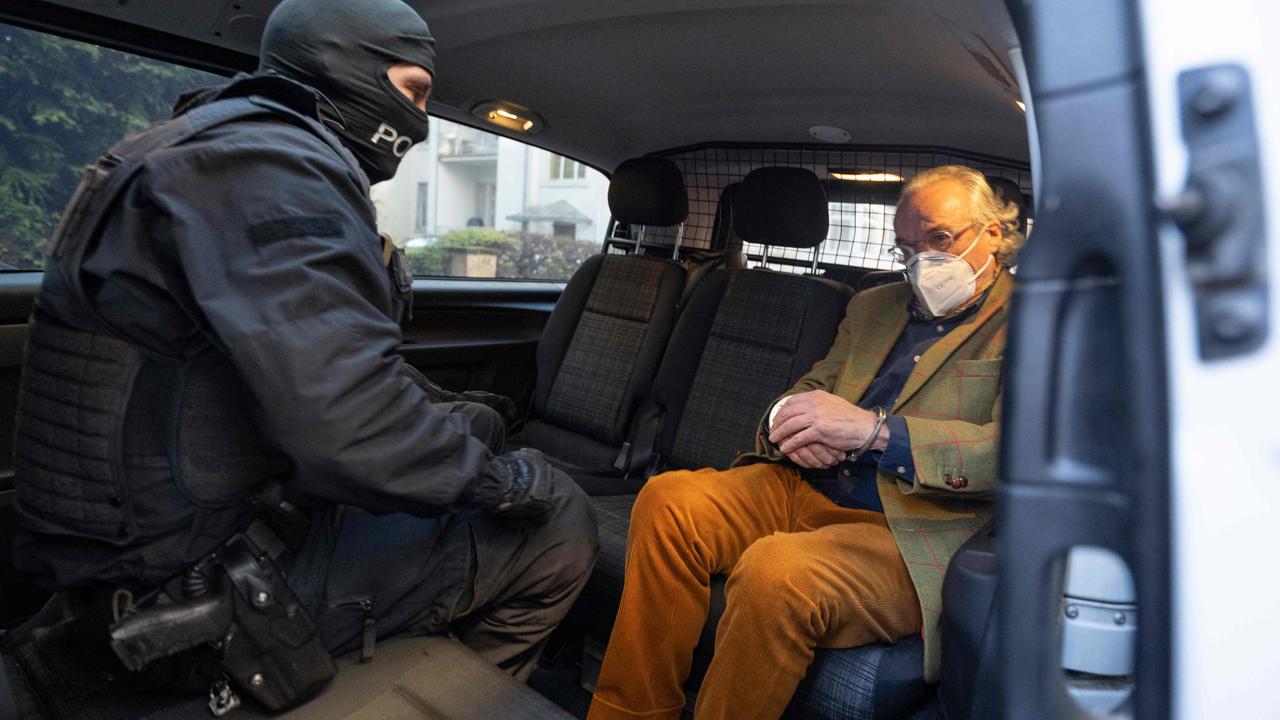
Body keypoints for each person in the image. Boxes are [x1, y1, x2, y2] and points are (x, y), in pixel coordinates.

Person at [10, 0, 596, 688]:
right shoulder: (275, 166)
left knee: (478, 423)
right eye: (412, 92)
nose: (418, 122)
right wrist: (500, 482)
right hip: (199, 593)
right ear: (344, 66)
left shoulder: (202, 149)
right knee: (560, 516)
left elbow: (320, 367)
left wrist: (460, 422)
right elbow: (348, 431)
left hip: (149, 549)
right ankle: (453, 694)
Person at [587, 165, 1023, 720]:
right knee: (669, 500)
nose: (922, 263)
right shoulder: (873, 306)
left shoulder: (1032, 322)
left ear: (992, 231)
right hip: (804, 484)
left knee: (777, 570)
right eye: (906, 248)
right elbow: (813, 388)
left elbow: (1018, 457)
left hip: (908, 527)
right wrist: (786, 423)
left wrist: (873, 434)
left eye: (940, 239)